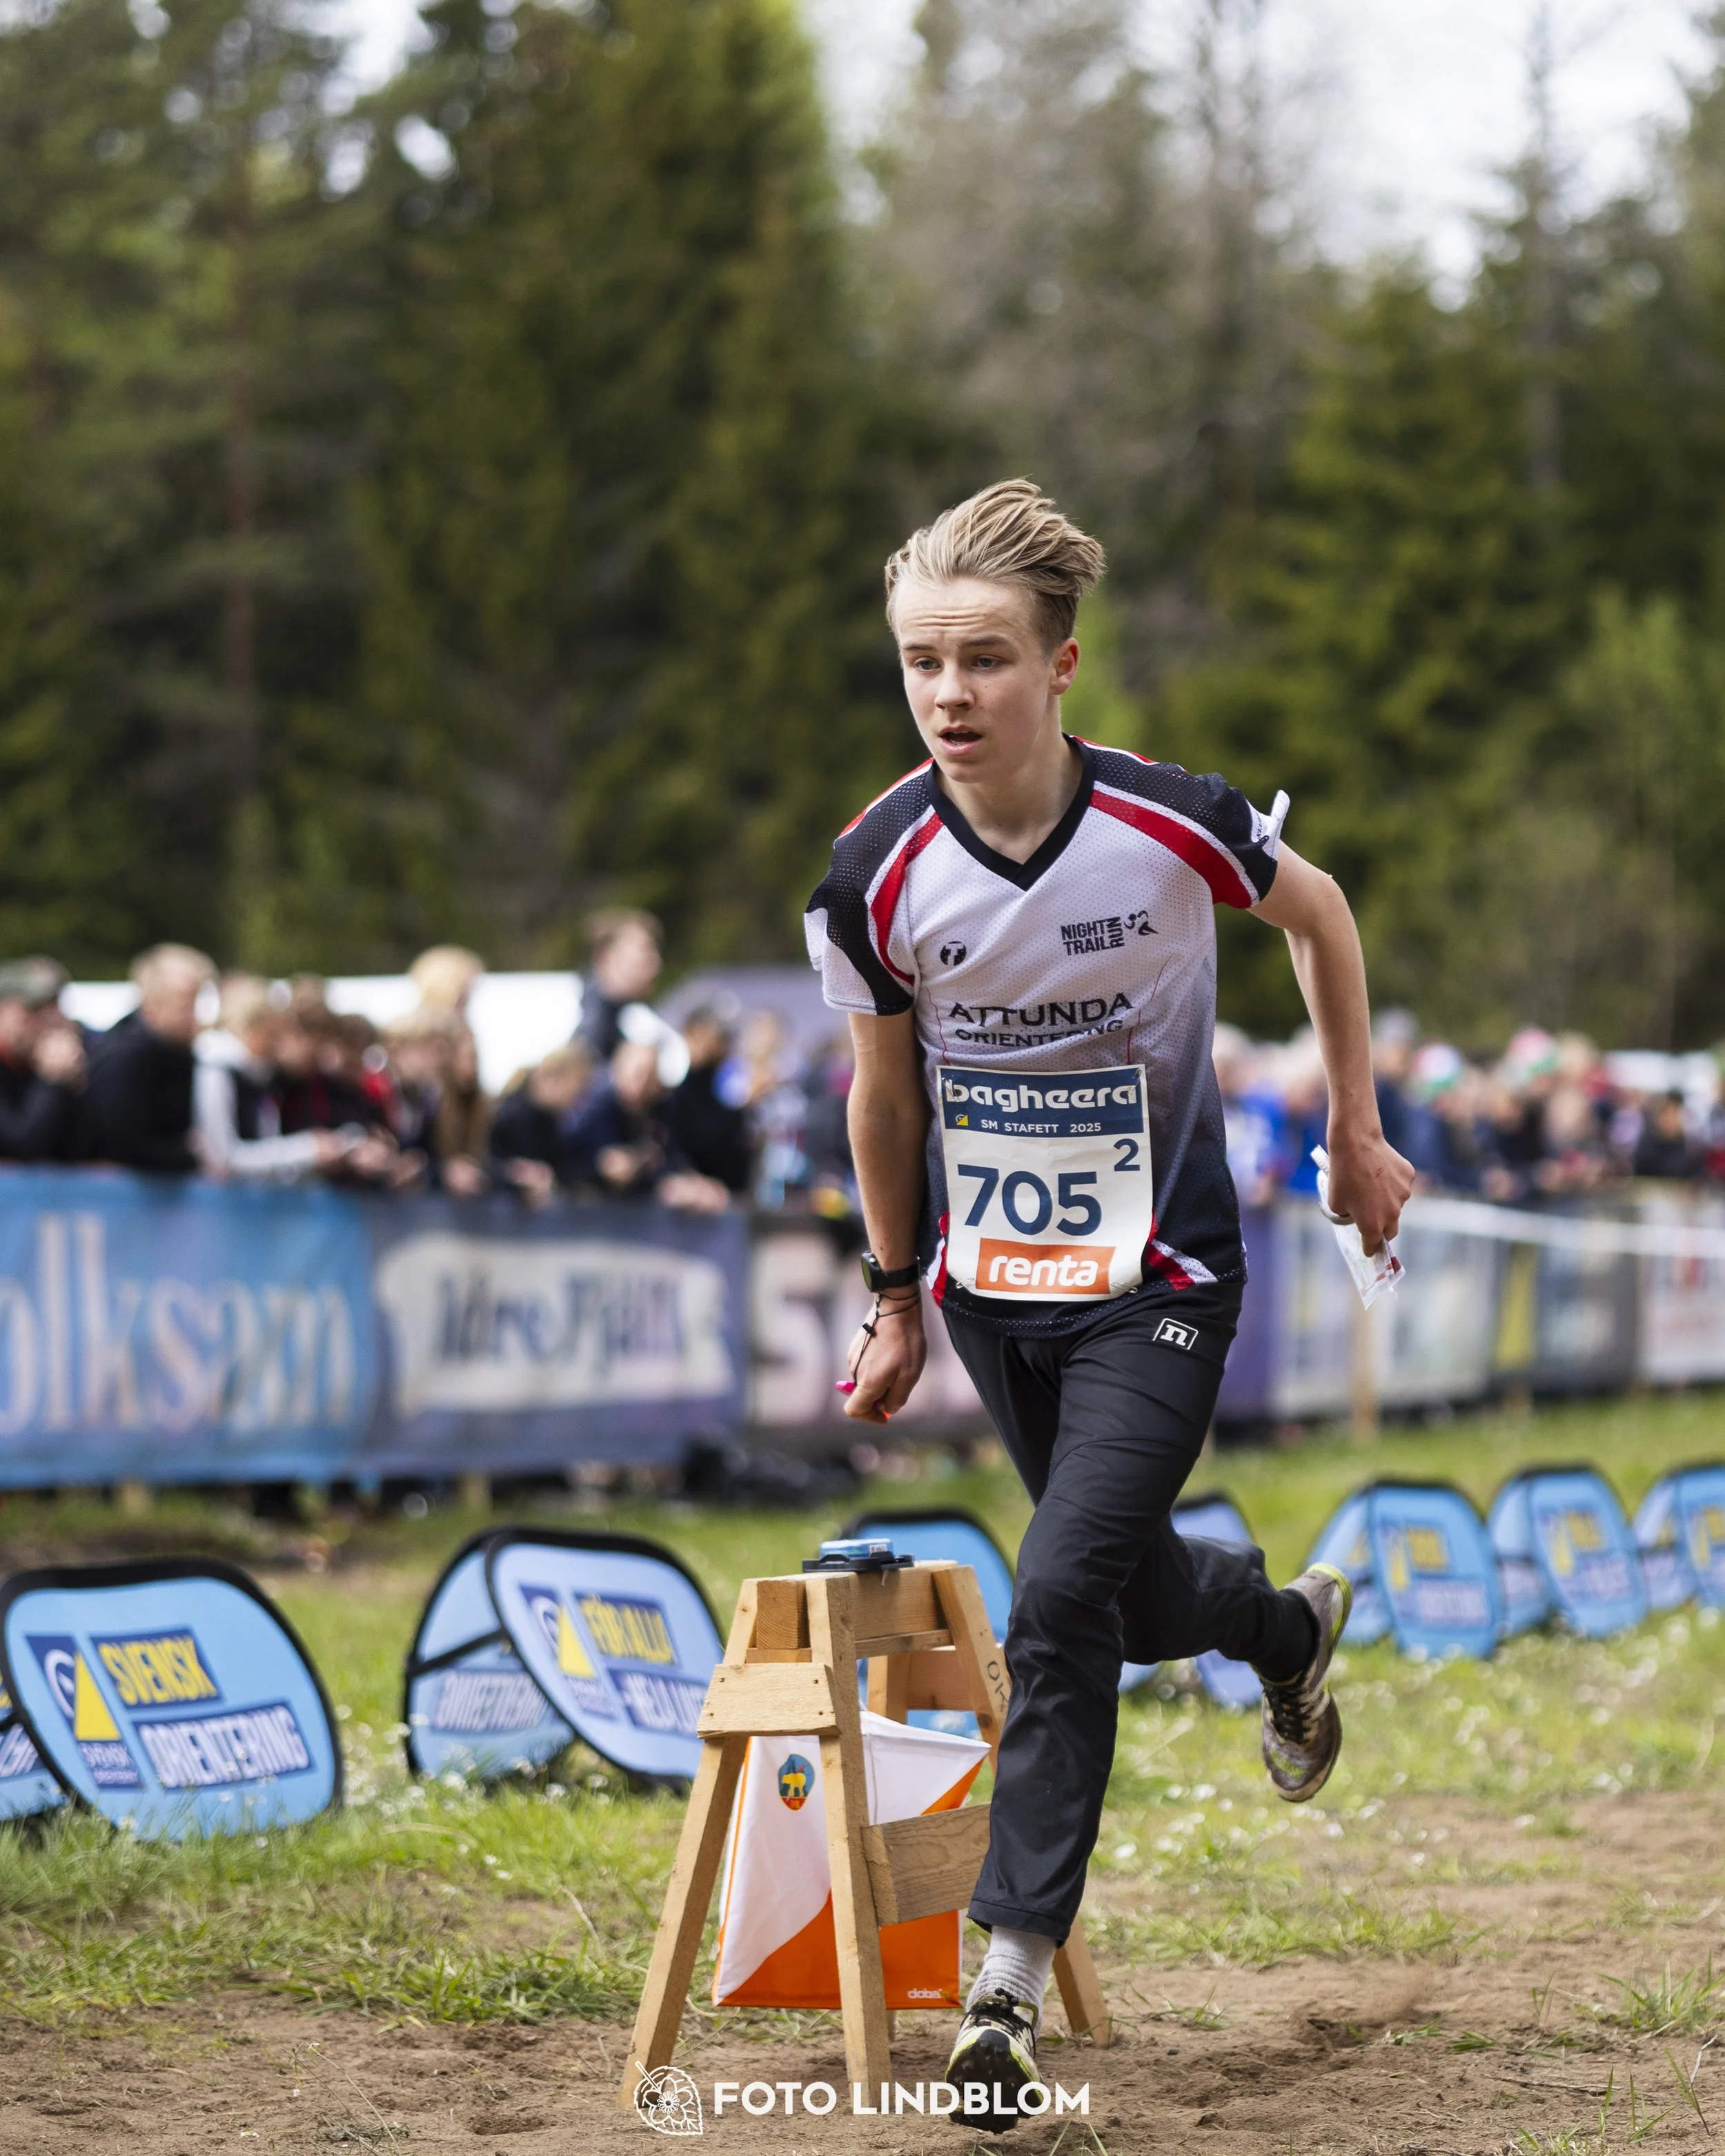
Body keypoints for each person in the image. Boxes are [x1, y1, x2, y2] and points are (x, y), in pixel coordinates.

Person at [804, 479, 1413, 2126]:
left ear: (1059, 665)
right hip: (999, 1292)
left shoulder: (1168, 821)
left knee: (1057, 1595)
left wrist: (1354, 1133)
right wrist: (892, 1289)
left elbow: (1324, 916)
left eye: (984, 658)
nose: (949, 693)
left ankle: (1001, 1981)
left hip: (1162, 1275)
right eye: (922, 661)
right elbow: (881, 1096)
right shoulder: (875, 868)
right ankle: (1281, 1629)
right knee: (1125, 1590)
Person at [78, 944, 216, 1173]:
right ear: (153, 1002)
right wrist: (190, 1155)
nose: (196, 1016)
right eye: (186, 1005)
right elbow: (125, 1145)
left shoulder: (176, 1051)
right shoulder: (125, 1056)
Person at [0, 956, 85, 1161]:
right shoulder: (47, 1072)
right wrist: (52, 1082)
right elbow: (20, 1145)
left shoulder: (41, 1063)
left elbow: (78, 1150)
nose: (50, 1021)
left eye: (54, 1008)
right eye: (34, 1009)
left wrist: (77, 1087)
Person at [662, 1006, 753, 1194]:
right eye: (721, 1036)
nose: (727, 1044)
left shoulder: (715, 1079)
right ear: (695, 1032)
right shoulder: (670, 1080)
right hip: (691, 1196)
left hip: (722, 1194)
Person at [489, 1043, 595, 1200]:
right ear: (556, 1078)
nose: (580, 1094)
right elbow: (487, 1163)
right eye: (579, 1083)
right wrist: (514, 1173)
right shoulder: (510, 1114)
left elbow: (563, 1166)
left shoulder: (551, 1121)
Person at [575, 909, 664, 1063]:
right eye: (645, 951)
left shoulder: (637, 1016)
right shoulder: (593, 1027)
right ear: (606, 957)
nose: (657, 964)